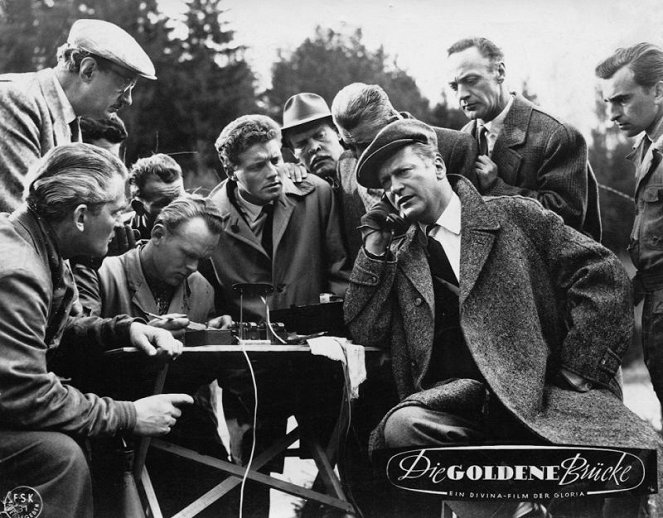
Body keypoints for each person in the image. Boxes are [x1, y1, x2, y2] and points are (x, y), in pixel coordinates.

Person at [344, 119, 661, 518]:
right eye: (386, 182)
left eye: (404, 171)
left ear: (438, 167)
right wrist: (374, 251)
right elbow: (366, 327)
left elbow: (604, 275)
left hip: (545, 395)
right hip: (459, 407)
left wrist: (582, 367)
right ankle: (517, 512)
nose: (394, 187)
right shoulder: (401, 255)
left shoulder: (516, 216)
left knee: (620, 466)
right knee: (402, 426)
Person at [0, 143, 192, 518]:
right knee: (57, 456)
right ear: (81, 216)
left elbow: (53, 330)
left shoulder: (31, 242)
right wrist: (129, 415)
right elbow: (25, 395)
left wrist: (124, 330)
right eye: (117, 211)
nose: (123, 222)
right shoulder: (20, 271)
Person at [209, 114, 349, 516]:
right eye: (258, 166)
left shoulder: (317, 195)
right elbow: (207, 294)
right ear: (232, 171)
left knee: (327, 468)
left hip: (313, 362)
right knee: (249, 471)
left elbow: (339, 272)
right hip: (248, 370)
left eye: (275, 158)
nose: (274, 172)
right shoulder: (208, 216)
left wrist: (326, 331)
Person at [446, 36, 601, 241]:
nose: (462, 95)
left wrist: (497, 189)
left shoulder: (556, 134)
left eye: (471, 80)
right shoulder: (463, 138)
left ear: (500, 72)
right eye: (454, 86)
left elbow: (568, 219)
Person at [0, 18, 155, 213]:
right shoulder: (15, 99)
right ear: (88, 70)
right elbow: (23, 216)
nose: (128, 99)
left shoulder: (68, 121)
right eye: (124, 85)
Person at [331, 82, 478, 262]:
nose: (358, 157)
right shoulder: (344, 165)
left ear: (393, 121)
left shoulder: (455, 147)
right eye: (348, 146)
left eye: (367, 144)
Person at [596, 43, 663, 408]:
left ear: (658, 90)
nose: (612, 114)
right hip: (653, 299)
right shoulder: (648, 149)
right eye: (608, 103)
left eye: (622, 100)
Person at [127, 153, 186, 240]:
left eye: (181, 199)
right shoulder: (118, 238)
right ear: (139, 207)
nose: (179, 210)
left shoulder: (203, 221)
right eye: (166, 204)